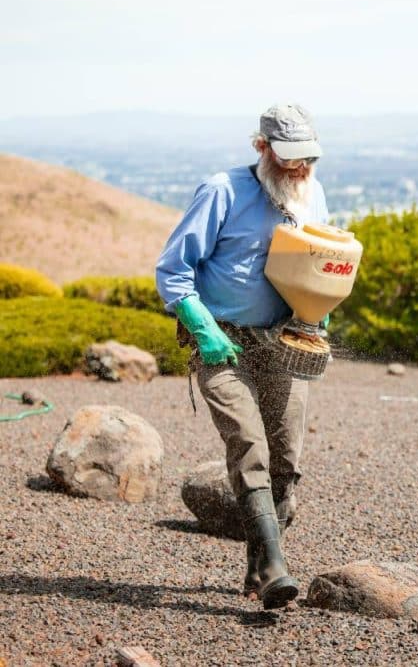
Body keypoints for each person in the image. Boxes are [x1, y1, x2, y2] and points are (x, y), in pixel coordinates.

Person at [155, 103, 329, 609]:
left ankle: (258, 566)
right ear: (261, 147)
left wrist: (318, 313)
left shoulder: (312, 194)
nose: (300, 167)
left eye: (309, 157)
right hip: (221, 340)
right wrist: (201, 325)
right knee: (249, 442)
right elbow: (173, 269)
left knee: (286, 455)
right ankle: (275, 567)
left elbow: (320, 262)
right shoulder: (222, 191)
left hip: (285, 341)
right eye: (290, 157)